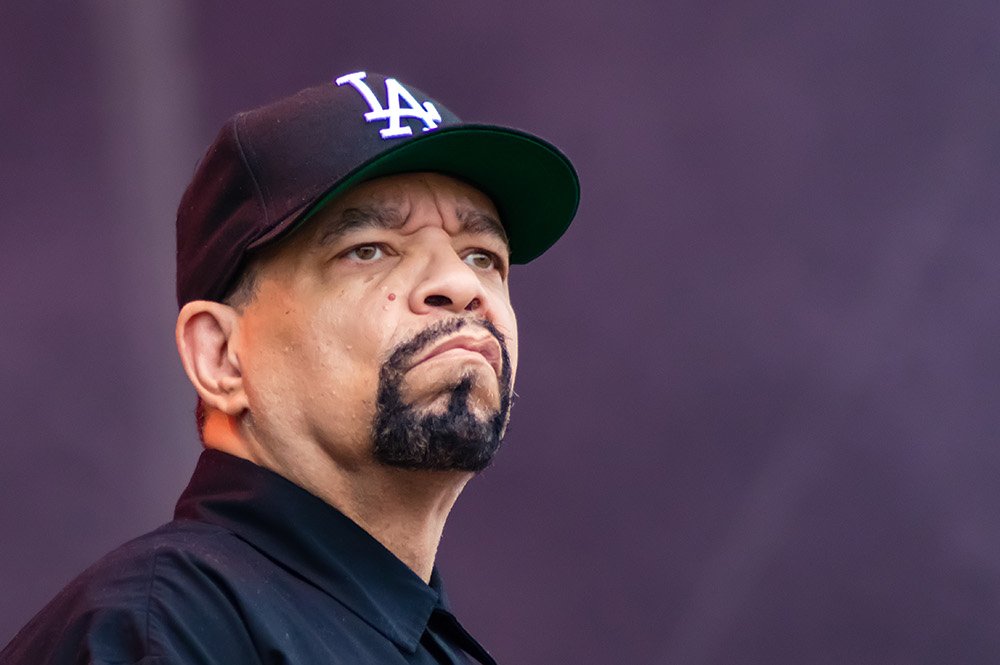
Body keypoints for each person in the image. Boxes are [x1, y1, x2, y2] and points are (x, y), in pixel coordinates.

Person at [0, 70, 579, 664]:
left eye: (482, 256)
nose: (459, 284)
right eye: (367, 250)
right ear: (221, 355)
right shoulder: (160, 630)